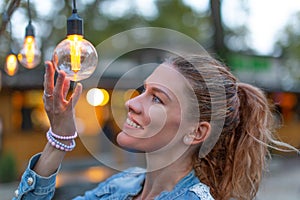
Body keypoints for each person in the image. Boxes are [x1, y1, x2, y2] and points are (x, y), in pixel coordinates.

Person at [13, 55, 298, 200]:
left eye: (157, 99)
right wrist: (59, 138)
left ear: (196, 132)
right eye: (143, 90)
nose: (133, 103)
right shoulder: (123, 184)